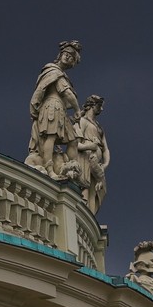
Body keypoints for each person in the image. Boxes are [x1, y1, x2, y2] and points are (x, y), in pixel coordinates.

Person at [28, 41, 81, 177]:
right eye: (66, 54)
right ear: (60, 54)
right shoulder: (53, 71)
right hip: (52, 107)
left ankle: (69, 168)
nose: (67, 57)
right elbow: (67, 93)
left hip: (60, 109)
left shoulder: (60, 74)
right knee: (50, 137)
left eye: (71, 57)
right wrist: (77, 110)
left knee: (73, 140)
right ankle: (50, 170)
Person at [74, 95, 110, 213]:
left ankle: (89, 215)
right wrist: (91, 146)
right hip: (84, 159)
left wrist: (104, 165)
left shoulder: (99, 127)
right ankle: (84, 214)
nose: (101, 109)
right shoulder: (82, 122)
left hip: (96, 165)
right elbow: (76, 145)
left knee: (97, 191)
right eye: (99, 106)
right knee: (85, 186)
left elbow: (106, 149)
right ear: (92, 106)